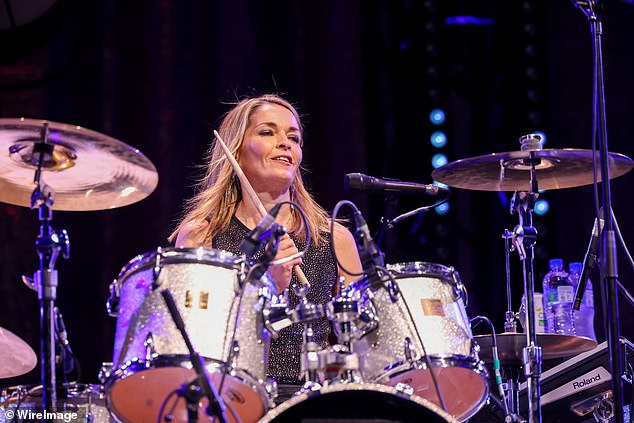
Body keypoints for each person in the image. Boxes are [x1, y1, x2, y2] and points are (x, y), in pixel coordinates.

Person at [168, 94, 363, 393]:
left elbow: (363, 339)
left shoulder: (334, 238)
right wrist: (266, 288)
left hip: (315, 399)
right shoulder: (202, 235)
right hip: (233, 396)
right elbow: (192, 340)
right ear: (237, 149)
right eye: (267, 132)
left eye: (294, 137)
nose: (285, 143)